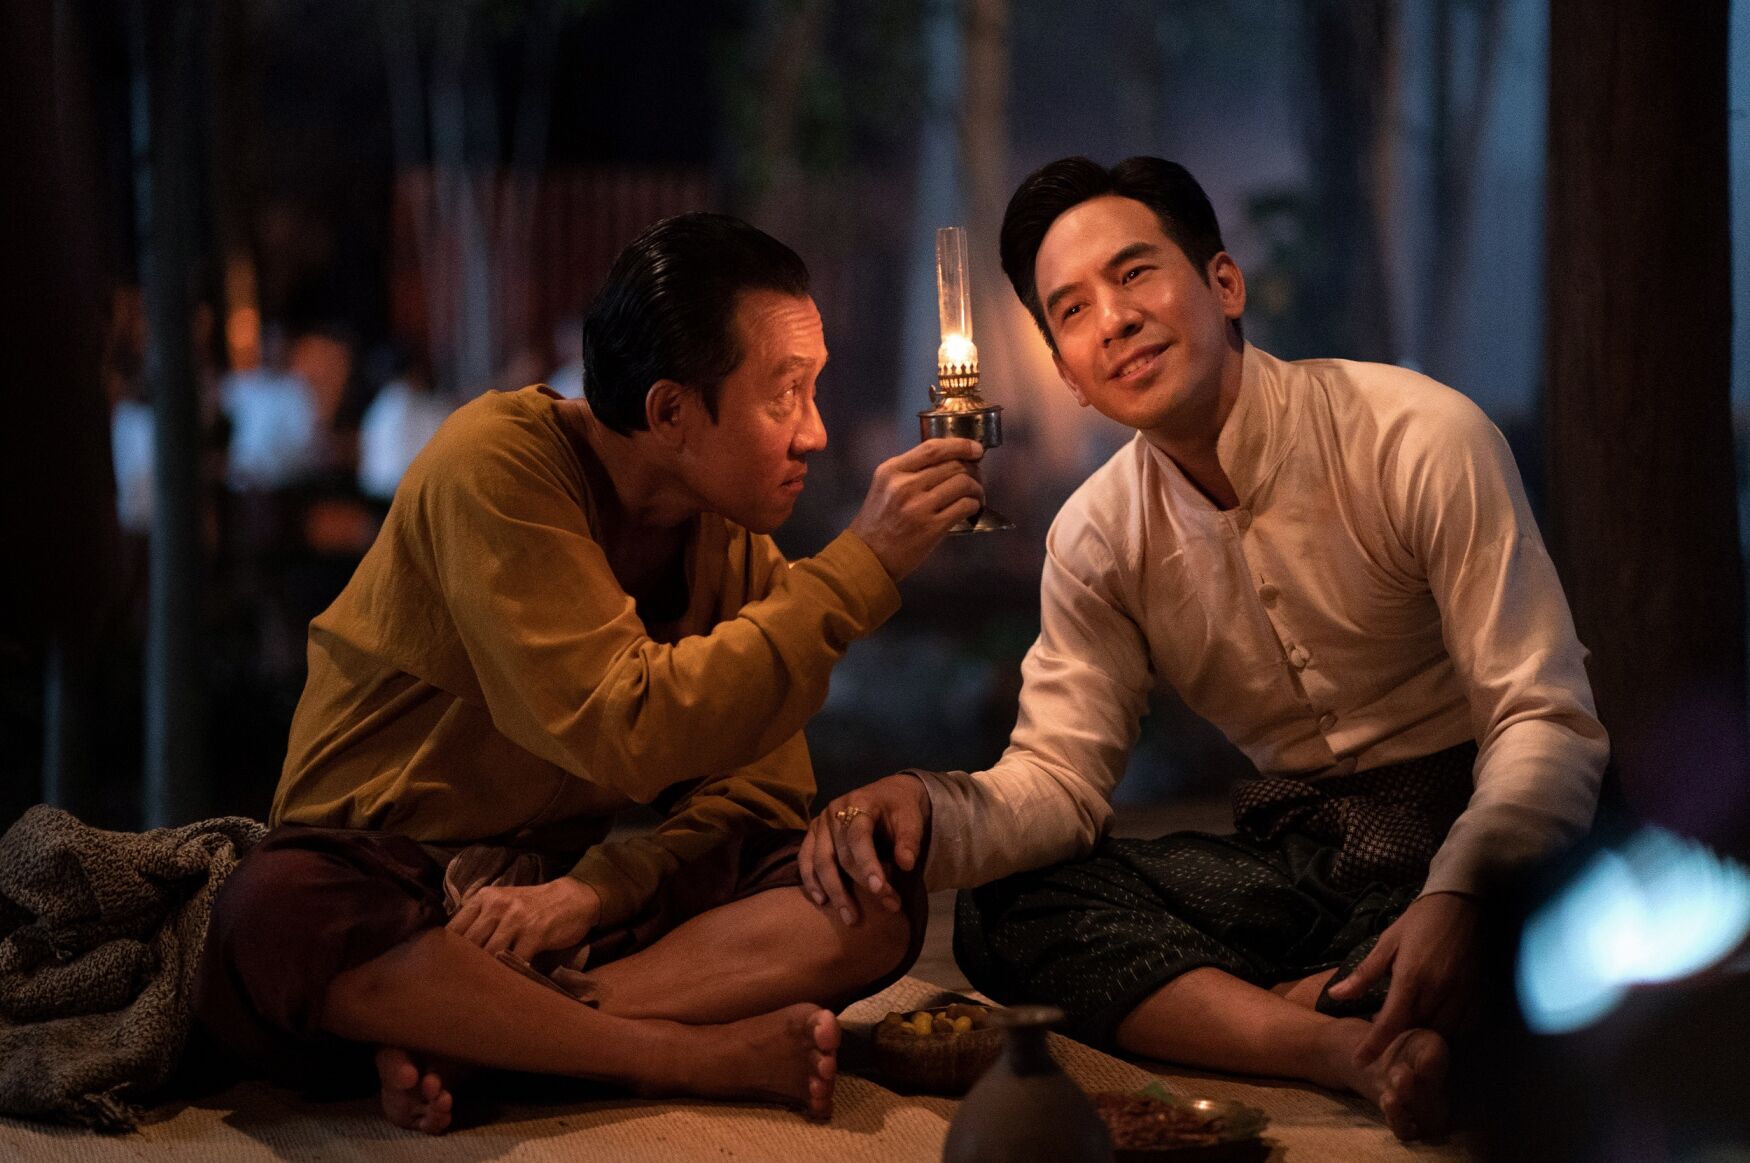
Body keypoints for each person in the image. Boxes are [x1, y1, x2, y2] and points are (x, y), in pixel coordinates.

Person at [802, 157, 1608, 1142]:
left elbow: (1544, 718)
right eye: (1072, 309)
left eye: (1135, 272)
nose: (1113, 320)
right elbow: (1058, 780)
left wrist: (1464, 892)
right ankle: (1337, 1040)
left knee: (1553, 917)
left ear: (1223, 284)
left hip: (1475, 815)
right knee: (1004, 908)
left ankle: (1343, 993)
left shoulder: (1416, 435)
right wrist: (926, 805)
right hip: (1306, 856)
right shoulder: (1098, 534)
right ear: (1068, 373)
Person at [194, 213, 986, 1132]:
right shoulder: (497, 464)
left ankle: (498, 1036)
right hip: (393, 893)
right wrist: (861, 565)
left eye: (814, 391)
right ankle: (669, 1053)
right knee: (273, 911)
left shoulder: (726, 538)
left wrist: (594, 889)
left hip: (555, 915)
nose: (813, 432)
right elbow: (623, 724)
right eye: (785, 395)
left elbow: (759, 792)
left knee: (868, 894)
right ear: (670, 412)